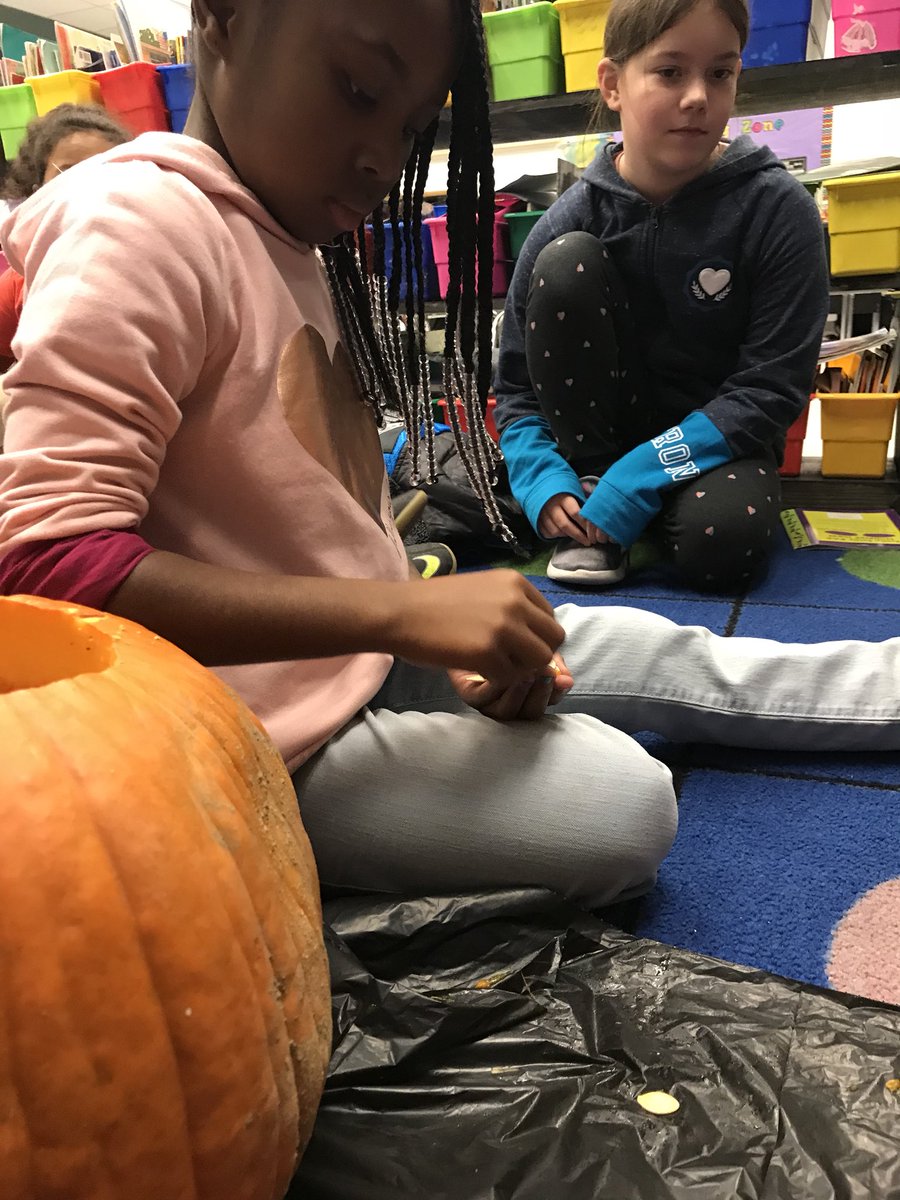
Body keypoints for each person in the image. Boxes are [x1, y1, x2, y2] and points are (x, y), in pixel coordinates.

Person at [0, 0, 897, 912]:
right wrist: (398, 614)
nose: (384, 160)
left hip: (367, 649)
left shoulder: (297, 238)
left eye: (412, 128)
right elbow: (46, 566)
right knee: (623, 806)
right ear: (221, 18)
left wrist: (420, 630)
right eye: (356, 89)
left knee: (663, 651)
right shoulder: (134, 226)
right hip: (261, 741)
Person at [495, 0, 829, 591]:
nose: (698, 96)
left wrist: (644, 476)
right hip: (594, 452)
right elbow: (518, 391)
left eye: (720, 73)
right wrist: (543, 480)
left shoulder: (780, 212)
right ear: (612, 84)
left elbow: (772, 387)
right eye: (670, 72)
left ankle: (631, 507)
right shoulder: (566, 221)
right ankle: (598, 504)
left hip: (718, 448)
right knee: (565, 263)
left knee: (724, 547)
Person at [0, 104, 132, 372]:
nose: (92, 187)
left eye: (110, 170)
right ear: (38, 191)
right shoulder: (20, 282)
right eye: (71, 172)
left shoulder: (157, 264)